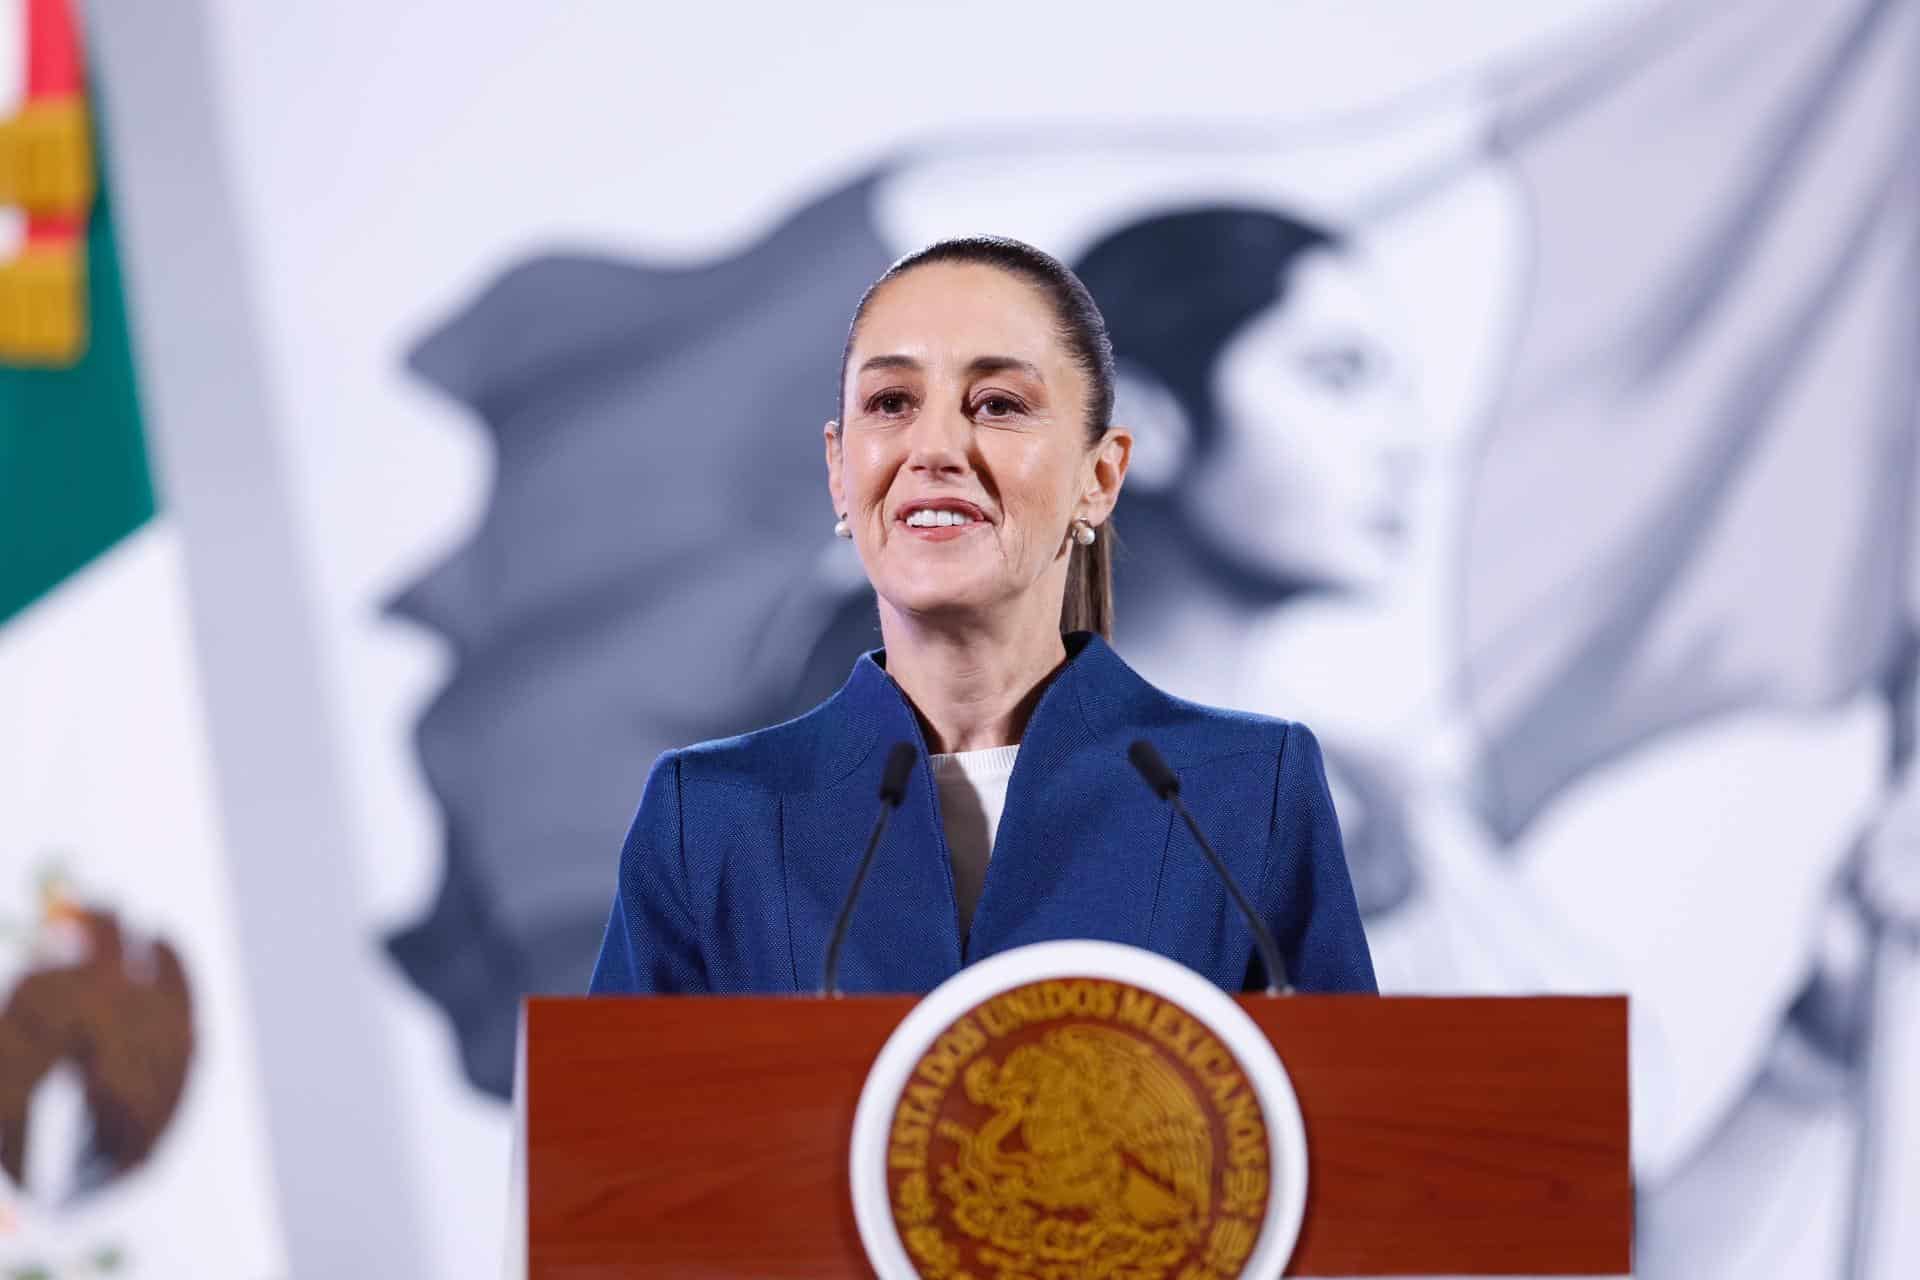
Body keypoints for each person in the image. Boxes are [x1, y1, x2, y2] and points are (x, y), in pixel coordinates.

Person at [587, 236, 1377, 996]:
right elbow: (620, 1132)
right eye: (891, 402)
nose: (934, 448)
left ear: (1100, 478)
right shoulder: (714, 815)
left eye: (998, 404)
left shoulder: (1247, 792)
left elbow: (1348, 1123)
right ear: (838, 471)